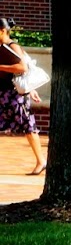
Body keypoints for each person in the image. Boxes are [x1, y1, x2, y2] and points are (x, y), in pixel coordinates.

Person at [0, 18, 45, 176]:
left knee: (28, 127)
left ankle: (41, 161)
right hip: (4, 94)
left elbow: (23, 67)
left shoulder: (13, 46)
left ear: (2, 31)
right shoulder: (2, 47)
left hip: (15, 95)